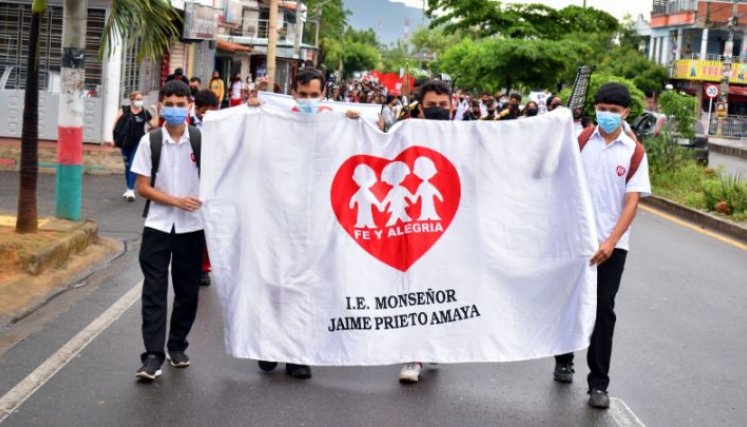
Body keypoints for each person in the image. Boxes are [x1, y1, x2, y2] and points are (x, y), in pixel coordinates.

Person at [248, 67, 361, 379]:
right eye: (303, 94)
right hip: (278, 213)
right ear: (293, 93)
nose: (309, 100)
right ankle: (269, 347)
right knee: (273, 282)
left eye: (315, 95)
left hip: (318, 219)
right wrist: (251, 111)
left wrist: (359, 124)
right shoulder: (275, 120)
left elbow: (368, 142)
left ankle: (299, 354)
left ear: (324, 93)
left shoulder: (336, 121)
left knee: (308, 287)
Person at [553, 83, 650, 409]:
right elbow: (559, 180)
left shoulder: (634, 153)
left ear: (625, 113)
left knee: (603, 310)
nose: (606, 115)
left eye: (613, 110)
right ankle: (563, 359)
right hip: (575, 240)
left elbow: (632, 201)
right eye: (602, 108)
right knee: (570, 300)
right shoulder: (580, 141)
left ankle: (598, 384)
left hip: (613, 245)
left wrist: (610, 242)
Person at [130, 80, 205, 381]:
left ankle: (177, 346)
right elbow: (142, 187)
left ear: (190, 105)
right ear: (160, 106)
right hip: (158, 226)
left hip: (193, 227)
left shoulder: (202, 140)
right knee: (154, 291)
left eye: (180, 103)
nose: (174, 109)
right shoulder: (151, 141)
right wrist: (175, 200)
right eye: (169, 104)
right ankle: (152, 356)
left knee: (187, 291)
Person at [398, 79, 453, 384]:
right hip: (412, 226)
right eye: (431, 106)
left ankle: (430, 341)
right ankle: (413, 354)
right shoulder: (402, 134)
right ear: (420, 107)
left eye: (443, 106)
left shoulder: (467, 136)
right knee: (414, 287)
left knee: (438, 286)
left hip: (450, 228)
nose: (437, 111)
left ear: (452, 106)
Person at [189, 90, 220, 287]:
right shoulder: (186, 125)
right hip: (190, 180)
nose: (208, 114)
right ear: (198, 110)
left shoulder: (220, 125)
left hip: (212, 183)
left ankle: (204, 268)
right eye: (205, 111)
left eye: (212, 110)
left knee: (207, 227)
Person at [112, 91, 159, 201]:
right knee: (127, 165)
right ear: (131, 100)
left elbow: (154, 124)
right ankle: (128, 188)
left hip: (137, 143)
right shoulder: (124, 109)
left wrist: (156, 111)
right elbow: (116, 124)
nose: (140, 101)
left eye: (140, 99)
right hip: (124, 142)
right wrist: (115, 140)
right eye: (137, 99)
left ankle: (131, 189)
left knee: (133, 165)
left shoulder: (145, 113)